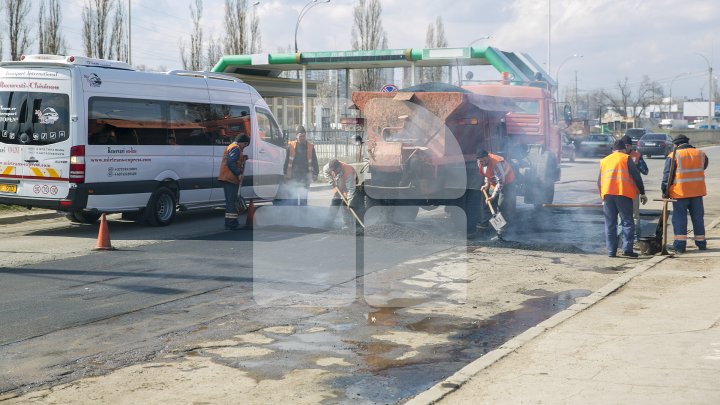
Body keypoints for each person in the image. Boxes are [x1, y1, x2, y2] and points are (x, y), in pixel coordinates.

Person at [598, 139, 647, 258]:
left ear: (613, 150)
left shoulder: (604, 160)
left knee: (610, 224)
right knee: (627, 222)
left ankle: (611, 251)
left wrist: (602, 197)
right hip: (623, 194)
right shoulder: (625, 158)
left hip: (607, 195)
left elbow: (599, 182)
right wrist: (642, 192)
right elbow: (636, 176)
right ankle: (627, 249)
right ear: (624, 149)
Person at [661, 134, 709, 253]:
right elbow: (703, 166)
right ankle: (701, 243)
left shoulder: (674, 155)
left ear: (676, 145)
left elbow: (667, 176)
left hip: (680, 194)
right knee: (698, 218)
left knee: (680, 219)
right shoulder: (700, 153)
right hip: (697, 192)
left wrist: (664, 191)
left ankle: (680, 246)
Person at [476, 149, 517, 235]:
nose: (482, 162)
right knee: (488, 203)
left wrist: (494, 196)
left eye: (484, 160)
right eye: (480, 161)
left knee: (501, 205)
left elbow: (501, 182)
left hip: (507, 183)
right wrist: (486, 184)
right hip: (494, 182)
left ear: (487, 157)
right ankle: (485, 225)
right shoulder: (480, 162)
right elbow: (486, 173)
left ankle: (501, 230)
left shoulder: (496, 164)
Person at [218, 134, 250, 230]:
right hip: (230, 178)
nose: (245, 147)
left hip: (226, 178)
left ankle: (229, 222)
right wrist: (238, 173)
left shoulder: (232, 147)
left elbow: (232, 160)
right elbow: (231, 162)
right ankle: (232, 223)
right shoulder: (236, 148)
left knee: (229, 202)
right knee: (232, 202)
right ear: (242, 142)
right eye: (245, 144)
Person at [620, 134, 649, 241]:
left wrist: (635, 166)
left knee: (635, 216)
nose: (626, 148)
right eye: (624, 145)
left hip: (633, 191)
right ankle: (623, 238)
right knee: (621, 216)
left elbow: (645, 171)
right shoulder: (618, 156)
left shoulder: (636, 156)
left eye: (628, 145)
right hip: (621, 191)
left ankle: (636, 238)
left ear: (631, 146)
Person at [282, 125, 319, 205]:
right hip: (293, 177)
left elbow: (315, 161)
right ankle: (294, 216)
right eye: (300, 136)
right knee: (293, 199)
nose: (302, 138)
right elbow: (286, 161)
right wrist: (285, 173)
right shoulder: (291, 146)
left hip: (305, 177)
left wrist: (316, 173)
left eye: (304, 136)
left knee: (303, 200)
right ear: (296, 136)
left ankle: (303, 216)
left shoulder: (310, 147)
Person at [323, 159, 362, 229]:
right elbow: (325, 172)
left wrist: (350, 202)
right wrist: (330, 181)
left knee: (345, 205)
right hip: (338, 185)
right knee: (335, 202)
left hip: (348, 186)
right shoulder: (327, 167)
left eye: (335, 170)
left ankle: (347, 224)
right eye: (332, 171)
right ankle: (328, 223)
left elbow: (351, 189)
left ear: (339, 167)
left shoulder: (348, 171)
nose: (334, 172)